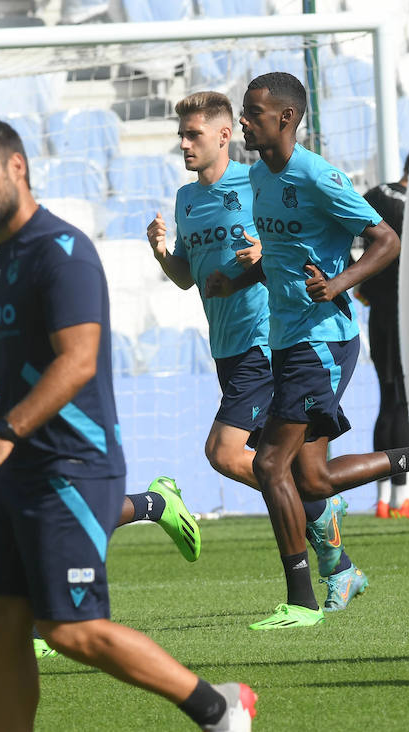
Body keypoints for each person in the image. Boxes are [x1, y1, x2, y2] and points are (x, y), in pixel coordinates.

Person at [0, 117, 255, 730]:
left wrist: (1, 436)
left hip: (70, 466)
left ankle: (219, 707)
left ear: (16, 168)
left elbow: (79, 361)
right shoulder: (3, 259)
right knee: (4, 624)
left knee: (69, 628)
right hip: (17, 467)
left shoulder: (60, 250)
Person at [236, 72, 409, 630]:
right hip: (286, 337)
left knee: (269, 463)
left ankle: (301, 601)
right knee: (313, 480)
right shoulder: (258, 177)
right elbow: (282, 254)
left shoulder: (318, 176)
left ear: (287, 118)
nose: (245, 121)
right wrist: (243, 277)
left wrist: (340, 282)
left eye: (253, 111)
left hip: (321, 339)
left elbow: (386, 241)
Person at [0, 199, 201, 666]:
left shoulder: (39, 239)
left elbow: (59, 321)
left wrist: (5, 343)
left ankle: (154, 504)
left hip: (34, 392)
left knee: (54, 516)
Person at [144, 90, 370, 614]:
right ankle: (334, 553)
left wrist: (264, 254)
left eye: (193, 134)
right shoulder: (186, 199)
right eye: (181, 135)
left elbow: (288, 245)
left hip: (264, 341)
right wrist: (160, 251)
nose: (184, 144)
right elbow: (186, 279)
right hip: (224, 345)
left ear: (225, 136)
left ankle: (314, 521)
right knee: (280, 467)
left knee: (226, 452)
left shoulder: (256, 182)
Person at [358, 150, 409, 520]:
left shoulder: (378, 193)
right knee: (402, 400)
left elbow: (347, 231)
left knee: (387, 397)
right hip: (404, 312)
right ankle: (401, 495)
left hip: (378, 309)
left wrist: (355, 277)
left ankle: (384, 496)